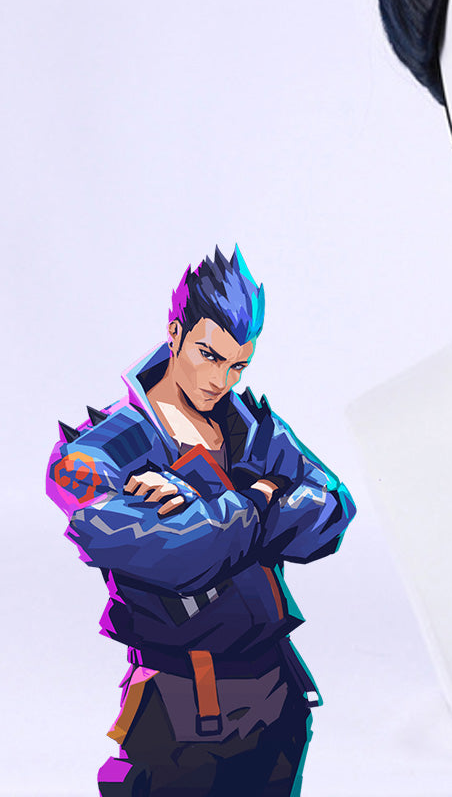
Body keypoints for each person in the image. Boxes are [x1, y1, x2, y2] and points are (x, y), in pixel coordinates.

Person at [47, 246, 356, 796]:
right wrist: (262, 497)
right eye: (209, 356)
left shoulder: (251, 428)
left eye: (238, 366)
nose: (221, 380)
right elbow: (182, 557)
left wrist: (213, 505)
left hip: (277, 697)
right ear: (176, 334)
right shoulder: (100, 452)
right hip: (176, 711)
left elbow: (333, 508)